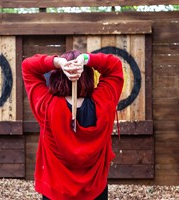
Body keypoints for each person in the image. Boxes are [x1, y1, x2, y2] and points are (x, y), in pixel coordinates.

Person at [22, 50, 124, 200]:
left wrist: (58, 63)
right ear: (88, 76)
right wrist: (86, 59)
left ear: (57, 76)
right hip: (95, 192)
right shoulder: (104, 102)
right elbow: (114, 65)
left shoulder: (47, 106)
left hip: (56, 193)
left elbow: (28, 67)